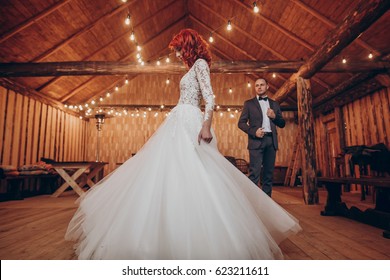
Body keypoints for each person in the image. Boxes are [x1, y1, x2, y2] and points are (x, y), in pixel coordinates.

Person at [65, 29, 301, 260]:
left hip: (191, 122)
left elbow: (210, 98)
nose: (176, 54)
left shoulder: (200, 64)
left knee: (196, 173)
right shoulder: (191, 67)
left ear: (188, 46)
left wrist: (206, 125)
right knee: (168, 172)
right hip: (178, 120)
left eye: (179, 49)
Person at [238, 78, 285, 197]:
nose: (259, 87)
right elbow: (241, 123)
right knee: (254, 174)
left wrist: (274, 117)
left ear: (267, 86)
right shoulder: (248, 103)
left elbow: (282, 123)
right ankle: (253, 204)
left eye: (262, 85)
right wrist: (254, 132)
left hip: (271, 141)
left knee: (268, 175)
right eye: (257, 85)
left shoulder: (274, 104)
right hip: (256, 141)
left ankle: (266, 205)